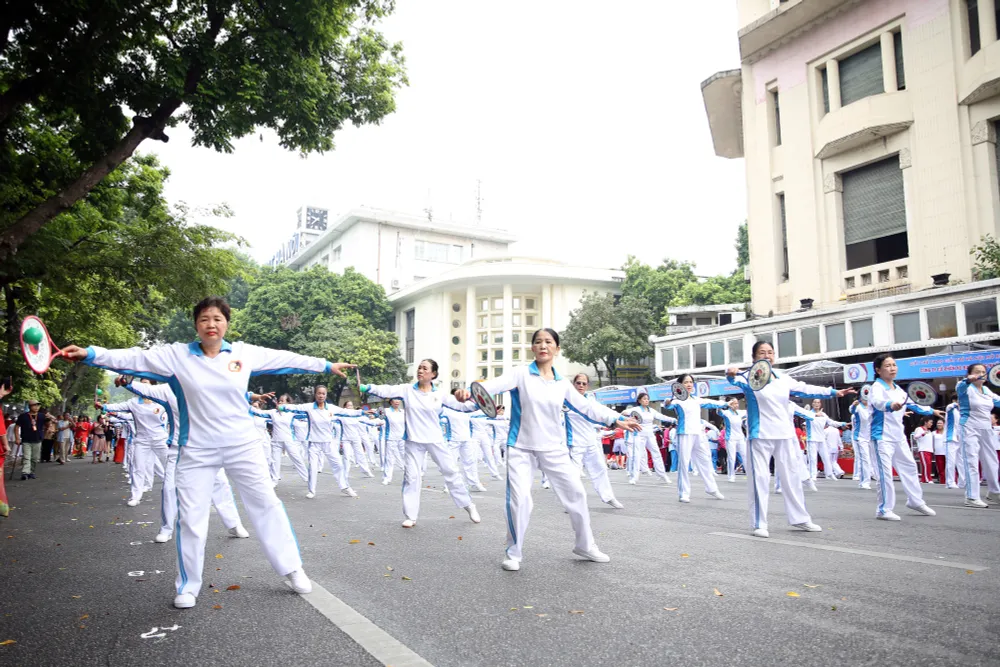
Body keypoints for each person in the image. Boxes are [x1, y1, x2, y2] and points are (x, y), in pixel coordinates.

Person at [59, 295, 355, 609]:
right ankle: (188, 585)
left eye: (217, 319)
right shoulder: (175, 357)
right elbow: (134, 358)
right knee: (191, 517)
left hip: (242, 446)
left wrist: (325, 365)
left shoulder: (244, 353)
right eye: (204, 319)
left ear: (226, 323)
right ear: (196, 325)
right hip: (196, 450)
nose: (211, 325)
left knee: (266, 503)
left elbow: (287, 358)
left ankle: (292, 569)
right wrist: (91, 354)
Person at [452, 329, 641, 572]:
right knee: (520, 501)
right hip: (521, 447)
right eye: (538, 342)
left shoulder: (562, 383)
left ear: (557, 349)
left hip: (554, 449)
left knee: (577, 496)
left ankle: (585, 545)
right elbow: (489, 387)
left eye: (548, 342)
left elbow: (587, 407)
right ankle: (513, 552)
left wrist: (616, 419)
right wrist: (468, 391)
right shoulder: (521, 374)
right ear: (533, 348)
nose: (543, 346)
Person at [727, 341, 855, 538]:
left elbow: (805, 388)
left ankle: (800, 518)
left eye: (770, 352)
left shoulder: (783, 378)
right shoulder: (747, 377)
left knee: (792, 477)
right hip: (760, 435)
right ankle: (759, 522)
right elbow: (733, 380)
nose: (767, 356)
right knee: (759, 479)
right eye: (762, 353)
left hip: (784, 434)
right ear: (754, 358)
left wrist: (832, 392)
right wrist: (730, 373)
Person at [124, 378, 251, 545]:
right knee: (169, 488)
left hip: (208, 447)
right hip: (179, 448)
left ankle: (233, 524)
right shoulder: (167, 390)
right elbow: (143, 388)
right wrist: (127, 381)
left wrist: (252, 396)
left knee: (220, 484)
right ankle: (166, 528)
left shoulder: (210, 383)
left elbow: (231, 391)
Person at [363, 360, 483, 528]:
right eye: (420, 367)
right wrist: (368, 387)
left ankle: (469, 505)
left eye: (425, 368)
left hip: (435, 440)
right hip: (413, 441)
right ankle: (410, 516)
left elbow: (464, 407)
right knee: (411, 477)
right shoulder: (406, 390)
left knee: (451, 472)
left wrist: (479, 403)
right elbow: (387, 389)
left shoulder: (440, 394)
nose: (420, 370)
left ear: (433, 374)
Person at [868, 354, 940, 520]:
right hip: (881, 437)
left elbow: (914, 404)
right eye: (888, 365)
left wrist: (932, 411)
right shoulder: (876, 388)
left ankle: (915, 501)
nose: (892, 368)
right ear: (878, 370)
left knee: (910, 467)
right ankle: (883, 509)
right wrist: (890, 405)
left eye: (894, 365)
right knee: (885, 474)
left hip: (898, 436)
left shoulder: (898, 390)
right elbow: (878, 403)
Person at [281, 386, 363, 499]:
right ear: (315, 394)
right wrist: (283, 407)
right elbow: (296, 407)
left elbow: (346, 412)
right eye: (319, 393)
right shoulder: (309, 407)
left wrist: (362, 412)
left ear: (326, 395)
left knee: (338, 465)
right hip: (314, 443)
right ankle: (312, 491)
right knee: (313, 468)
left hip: (328, 442)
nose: (321, 396)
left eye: (323, 394)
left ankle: (345, 487)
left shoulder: (331, 408)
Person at [100, 382, 170, 507]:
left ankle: (177, 491)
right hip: (142, 441)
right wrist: (104, 406)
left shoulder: (161, 401)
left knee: (170, 465)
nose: (142, 386)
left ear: (152, 386)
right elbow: (118, 407)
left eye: (145, 383)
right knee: (138, 468)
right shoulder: (133, 402)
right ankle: (135, 496)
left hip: (160, 439)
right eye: (141, 383)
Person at [662, 375, 727, 504]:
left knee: (705, 461)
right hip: (684, 433)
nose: (689, 384)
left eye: (691, 382)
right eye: (686, 382)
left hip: (698, 434)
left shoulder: (696, 399)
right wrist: (667, 402)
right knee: (684, 464)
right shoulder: (677, 400)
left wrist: (725, 403)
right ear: (680, 385)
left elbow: (710, 402)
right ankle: (684, 493)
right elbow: (667, 405)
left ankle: (712, 488)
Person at [565, 373, 624, 509]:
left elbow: (603, 411)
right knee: (573, 474)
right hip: (575, 443)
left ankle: (608, 497)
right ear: (573, 384)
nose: (581, 385)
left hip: (591, 442)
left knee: (600, 469)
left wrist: (621, 417)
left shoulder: (590, 400)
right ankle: (572, 504)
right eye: (578, 383)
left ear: (587, 386)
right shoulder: (566, 400)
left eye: (584, 383)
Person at [955, 364, 1000, 508]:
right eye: (977, 372)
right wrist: (968, 379)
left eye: (983, 372)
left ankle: (994, 492)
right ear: (969, 374)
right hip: (969, 427)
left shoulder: (986, 390)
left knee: (992, 461)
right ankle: (971, 496)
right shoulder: (964, 387)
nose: (981, 374)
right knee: (971, 461)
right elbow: (961, 385)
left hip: (986, 429)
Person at [253, 394, 309, 485]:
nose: (280, 402)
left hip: (288, 440)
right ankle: (274, 480)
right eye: (279, 400)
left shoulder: (291, 413)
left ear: (288, 403)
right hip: (276, 441)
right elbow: (260, 413)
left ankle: (307, 478)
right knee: (275, 461)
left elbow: (304, 413)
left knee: (297, 459)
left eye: (283, 401)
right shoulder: (273, 412)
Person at [620, 392, 674, 485]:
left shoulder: (651, 410)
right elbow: (623, 413)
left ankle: (662, 475)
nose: (646, 400)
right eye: (644, 399)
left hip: (650, 434)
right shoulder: (636, 409)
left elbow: (661, 416)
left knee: (656, 453)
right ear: (639, 400)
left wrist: (672, 419)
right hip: (639, 434)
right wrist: (628, 416)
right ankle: (634, 477)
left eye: (647, 399)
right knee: (637, 455)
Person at [443, 390, 488, 492]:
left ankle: (474, 483)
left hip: (467, 439)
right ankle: (449, 485)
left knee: (470, 462)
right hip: (453, 440)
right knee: (451, 463)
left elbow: (479, 413)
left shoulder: (466, 409)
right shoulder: (446, 409)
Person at [708, 397, 746, 483]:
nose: (736, 405)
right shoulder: (726, 413)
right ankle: (731, 476)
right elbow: (718, 411)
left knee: (745, 455)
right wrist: (723, 403)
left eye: (737, 403)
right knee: (732, 457)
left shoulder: (740, 413)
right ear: (730, 404)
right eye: (734, 403)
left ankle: (750, 474)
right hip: (731, 438)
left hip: (740, 438)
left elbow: (749, 412)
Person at [14, 400, 46, 480]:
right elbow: (16, 427)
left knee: (35, 458)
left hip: (37, 439)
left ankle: (31, 472)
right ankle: (25, 473)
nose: (36, 407)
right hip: (26, 440)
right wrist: (17, 438)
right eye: (34, 405)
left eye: (38, 405)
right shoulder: (23, 416)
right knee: (26, 457)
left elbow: (50, 423)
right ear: (29, 406)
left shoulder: (42, 416)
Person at [849, 396, 874, 490]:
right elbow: (852, 410)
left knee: (873, 459)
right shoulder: (858, 407)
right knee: (865, 459)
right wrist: (853, 405)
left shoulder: (873, 407)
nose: (866, 398)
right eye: (863, 396)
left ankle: (872, 475)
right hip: (860, 438)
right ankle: (864, 482)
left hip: (871, 437)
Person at [380, 399, 407, 484]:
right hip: (391, 438)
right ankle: (387, 478)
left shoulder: (403, 412)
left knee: (406, 457)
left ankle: (409, 476)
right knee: (389, 458)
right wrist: (378, 412)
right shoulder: (387, 411)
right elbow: (379, 416)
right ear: (391, 402)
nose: (397, 402)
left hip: (402, 438)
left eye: (398, 400)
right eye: (395, 400)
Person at [943, 395, 963, 489]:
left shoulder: (961, 412)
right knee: (951, 461)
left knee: (961, 461)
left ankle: (962, 481)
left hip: (959, 439)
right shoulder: (950, 408)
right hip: (950, 438)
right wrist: (957, 403)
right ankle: (950, 482)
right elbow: (951, 406)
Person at [911, 417, 934, 484]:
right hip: (923, 450)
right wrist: (923, 434)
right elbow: (915, 436)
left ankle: (924, 479)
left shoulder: (929, 431)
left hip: (929, 450)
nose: (931, 424)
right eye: (930, 422)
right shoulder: (919, 429)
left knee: (928, 465)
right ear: (925, 422)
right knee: (926, 464)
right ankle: (928, 478)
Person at [932, 419, 948, 486]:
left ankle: (951, 482)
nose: (939, 424)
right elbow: (931, 443)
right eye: (938, 423)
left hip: (947, 453)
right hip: (938, 453)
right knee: (941, 470)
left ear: (944, 424)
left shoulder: (947, 432)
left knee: (949, 468)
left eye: (940, 423)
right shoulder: (933, 433)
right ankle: (943, 482)